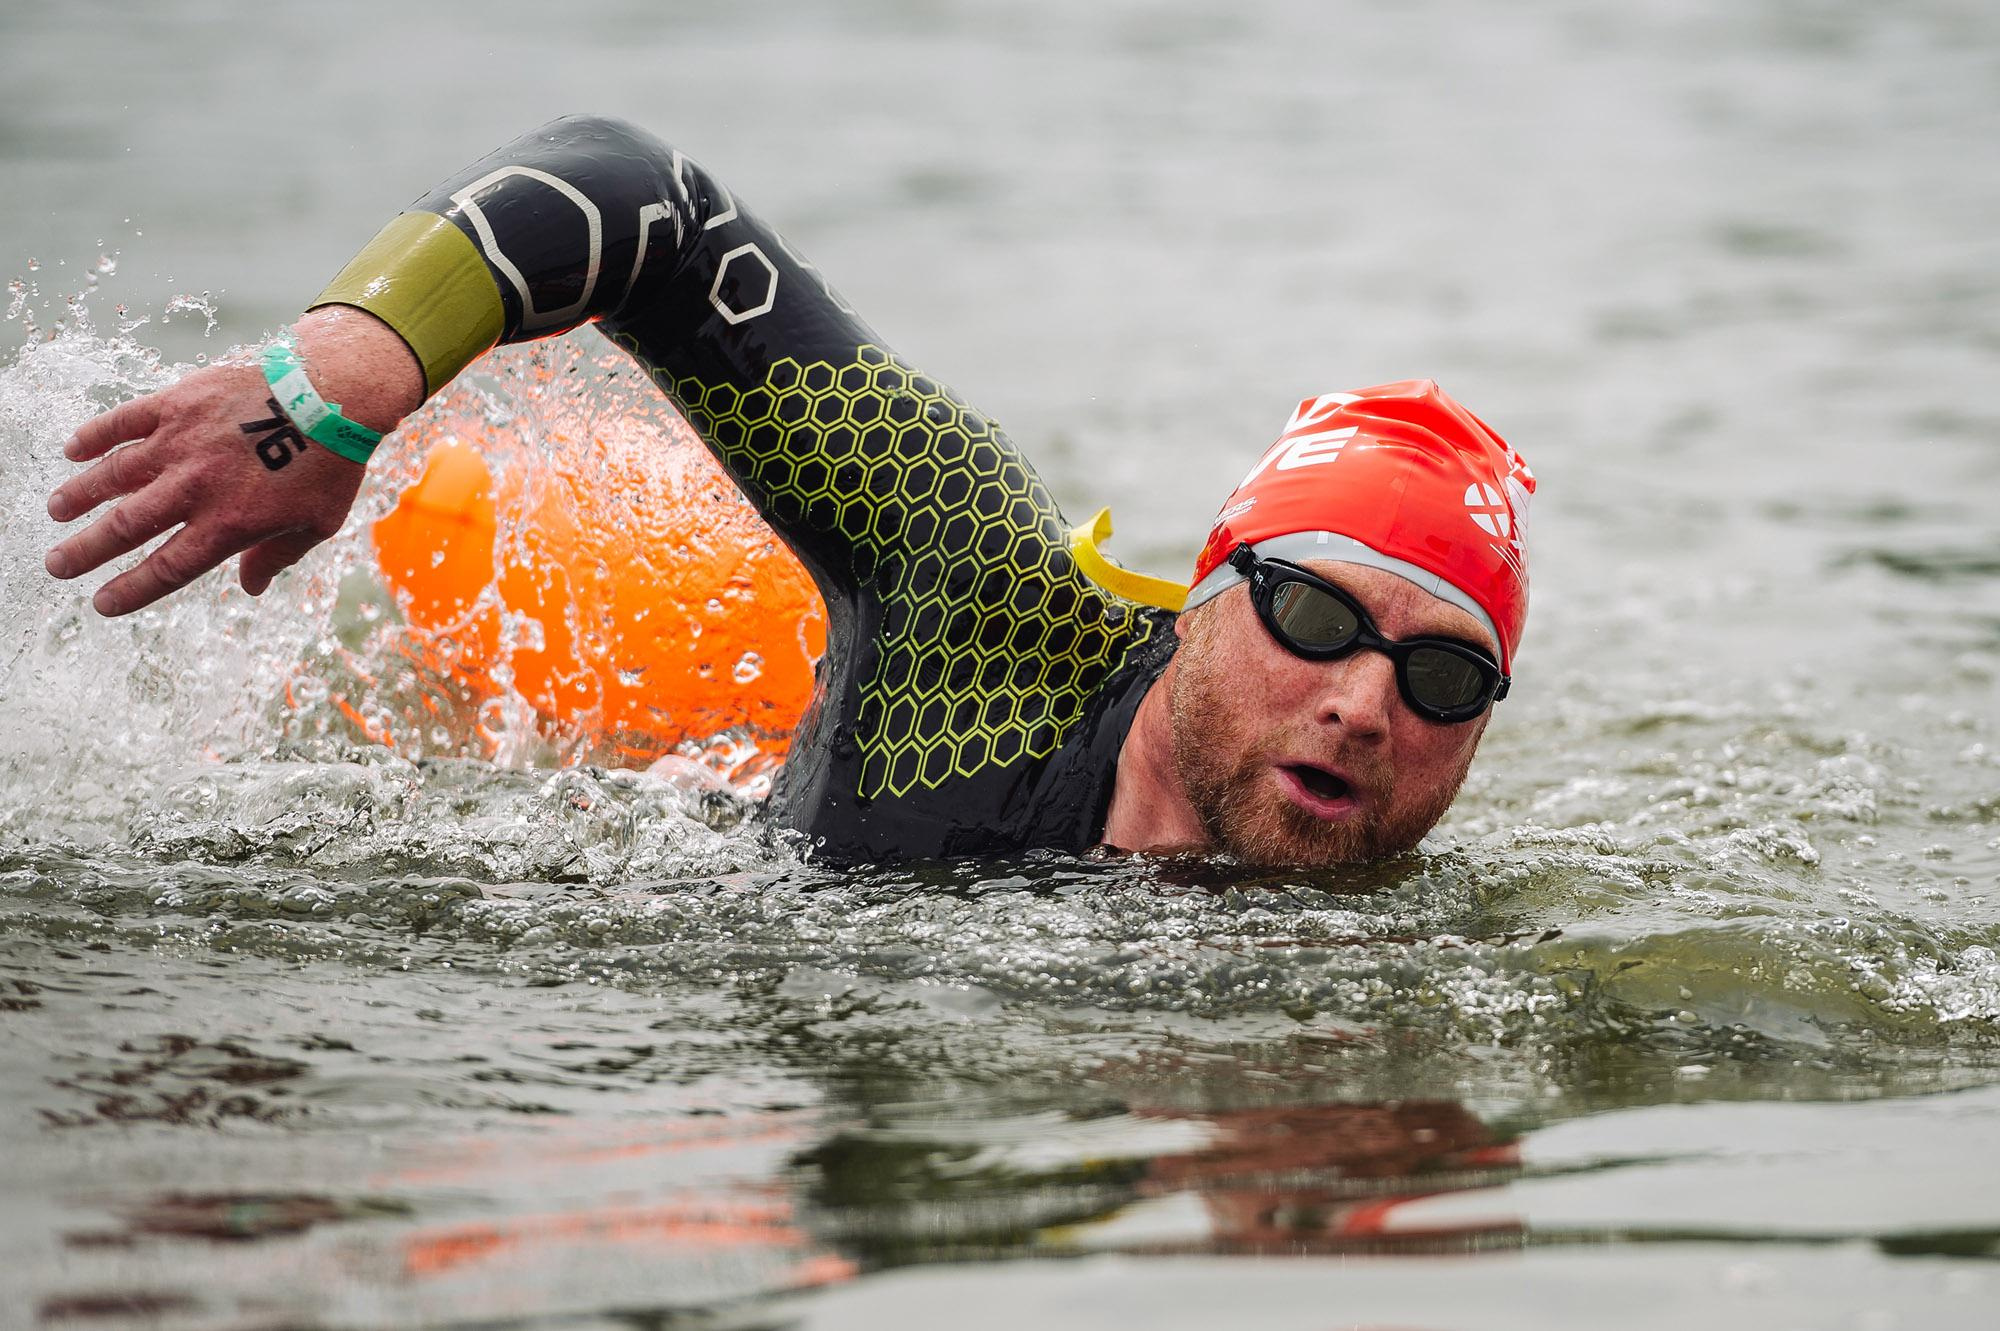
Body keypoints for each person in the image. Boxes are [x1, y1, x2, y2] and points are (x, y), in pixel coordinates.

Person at [42, 116, 1534, 866]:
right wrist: (337, 381)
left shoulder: (1400, 942)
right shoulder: (978, 601)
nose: (1364, 701)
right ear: (1213, 590)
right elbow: (649, 200)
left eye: (1446, 675)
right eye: (1316, 611)